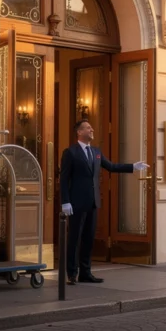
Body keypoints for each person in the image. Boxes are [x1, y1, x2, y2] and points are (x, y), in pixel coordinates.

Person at [60, 119, 149, 285]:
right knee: (74, 239)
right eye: (88, 128)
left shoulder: (96, 152)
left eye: (91, 127)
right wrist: (65, 201)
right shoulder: (70, 152)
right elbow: (64, 179)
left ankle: (86, 273)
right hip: (76, 203)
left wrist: (132, 167)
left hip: (93, 202)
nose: (92, 129)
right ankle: (72, 274)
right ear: (79, 132)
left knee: (89, 239)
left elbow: (112, 167)